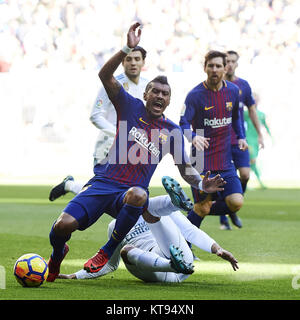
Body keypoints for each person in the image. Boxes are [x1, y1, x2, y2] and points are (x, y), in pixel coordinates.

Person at [47, 23, 226, 282]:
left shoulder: (172, 131)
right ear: (145, 94)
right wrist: (126, 48)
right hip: (102, 184)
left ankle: (106, 251)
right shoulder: (129, 106)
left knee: (140, 194)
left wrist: (200, 182)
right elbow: (104, 75)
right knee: (61, 227)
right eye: (155, 91)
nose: (160, 96)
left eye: (165, 94)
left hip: (128, 196)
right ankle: (56, 253)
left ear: (168, 101)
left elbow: (185, 169)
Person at [58, 179, 238, 283]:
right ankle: (172, 263)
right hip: (157, 271)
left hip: (182, 258)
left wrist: (217, 249)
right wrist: (75, 276)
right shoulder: (113, 227)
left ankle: (175, 203)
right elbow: (110, 264)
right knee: (125, 251)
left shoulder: (152, 206)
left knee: (153, 209)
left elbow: (189, 231)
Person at [49, 46, 148, 200]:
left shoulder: (148, 87)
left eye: (137, 59)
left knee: (124, 194)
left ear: (143, 62)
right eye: (128, 59)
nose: (133, 63)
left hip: (134, 148)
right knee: (104, 192)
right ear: (122, 62)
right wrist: (119, 134)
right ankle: (71, 186)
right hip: (108, 145)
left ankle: (70, 185)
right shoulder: (113, 84)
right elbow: (95, 115)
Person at [179, 50, 248, 231]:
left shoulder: (233, 91)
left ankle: (191, 211)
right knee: (203, 207)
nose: (214, 69)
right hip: (201, 161)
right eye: (211, 66)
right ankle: (184, 244)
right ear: (205, 68)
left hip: (225, 162)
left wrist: (241, 137)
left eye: (218, 66)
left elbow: (236, 118)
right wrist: (193, 137)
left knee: (236, 202)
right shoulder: (195, 95)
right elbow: (183, 122)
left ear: (225, 68)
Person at [219, 50, 264, 230]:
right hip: (220, 140)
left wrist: (260, 133)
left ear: (237, 64)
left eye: (232, 61)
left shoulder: (243, 85)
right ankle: (224, 215)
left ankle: (232, 208)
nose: (229, 64)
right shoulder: (215, 85)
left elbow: (252, 110)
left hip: (239, 139)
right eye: (226, 61)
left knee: (245, 174)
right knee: (221, 180)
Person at [244, 93, 272, 189]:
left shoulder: (261, 114)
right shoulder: (246, 113)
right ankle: (251, 182)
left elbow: (265, 126)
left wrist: (270, 137)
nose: (255, 101)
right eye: (253, 99)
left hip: (256, 141)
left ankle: (248, 181)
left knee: (252, 162)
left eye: (256, 99)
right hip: (248, 140)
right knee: (252, 160)